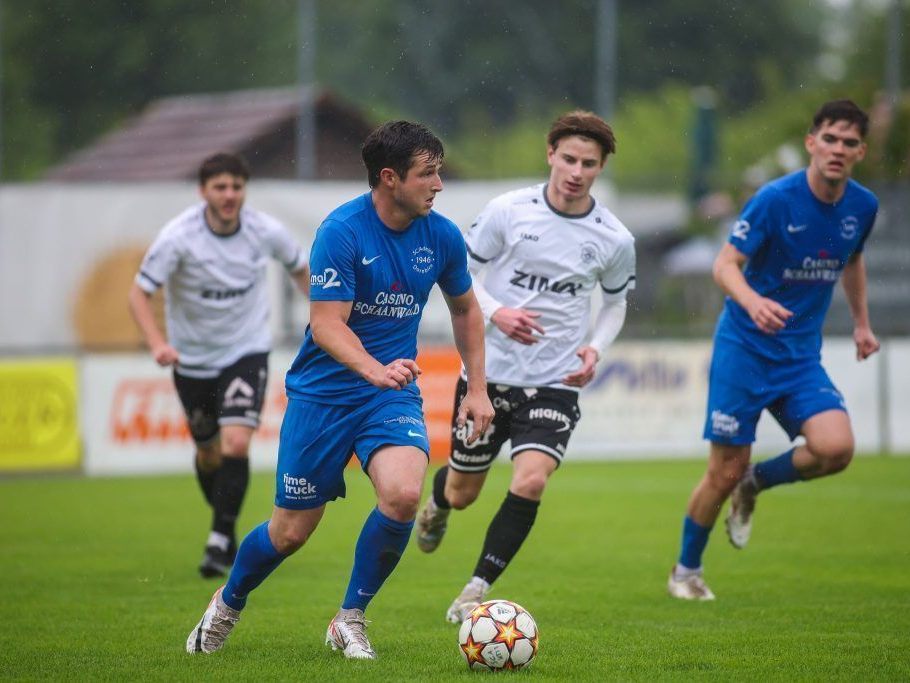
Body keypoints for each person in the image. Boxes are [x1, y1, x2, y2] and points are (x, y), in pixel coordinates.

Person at [185, 121, 494, 659]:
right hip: (323, 396)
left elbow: (465, 309)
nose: (439, 184)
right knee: (289, 533)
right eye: (427, 173)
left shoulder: (442, 235)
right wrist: (373, 368)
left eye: (439, 172)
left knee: (403, 495)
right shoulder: (342, 231)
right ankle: (227, 603)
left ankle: (350, 617)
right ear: (390, 178)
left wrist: (478, 389)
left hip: (389, 394)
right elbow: (327, 324)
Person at [414, 110, 636, 623]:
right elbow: (460, 274)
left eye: (588, 164)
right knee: (462, 492)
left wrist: (596, 348)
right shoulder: (508, 211)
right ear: (550, 154)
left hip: (556, 381)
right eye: (569, 159)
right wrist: (498, 312)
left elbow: (615, 303)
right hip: (487, 377)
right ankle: (439, 504)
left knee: (532, 480)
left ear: (601, 167)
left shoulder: (614, 238)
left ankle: (475, 589)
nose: (576, 172)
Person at [667, 99, 880, 601]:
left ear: (861, 152)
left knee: (836, 449)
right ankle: (686, 572)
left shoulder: (863, 206)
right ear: (811, 143)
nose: (838, 149)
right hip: (744, 349)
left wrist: (862, 324)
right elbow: (724, 264)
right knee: (723, 470)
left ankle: (756, 482)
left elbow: (852, 261)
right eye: (830, 139)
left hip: (800, 357)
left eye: (849, 143)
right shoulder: (774, 199)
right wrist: (753, 302)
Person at [129, 152, 309, 578]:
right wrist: (157, 343)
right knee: (209, 454)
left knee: (236, 444)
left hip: (246, 350)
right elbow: (139, 294)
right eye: (220, 187)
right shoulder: (178, 237)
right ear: (203, 192)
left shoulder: (265, 230)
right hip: (191, 359)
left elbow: (301, 268)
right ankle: (225, 527)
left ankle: (218, 539)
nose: (229, 195)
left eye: (236, 187)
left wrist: (324, 319)